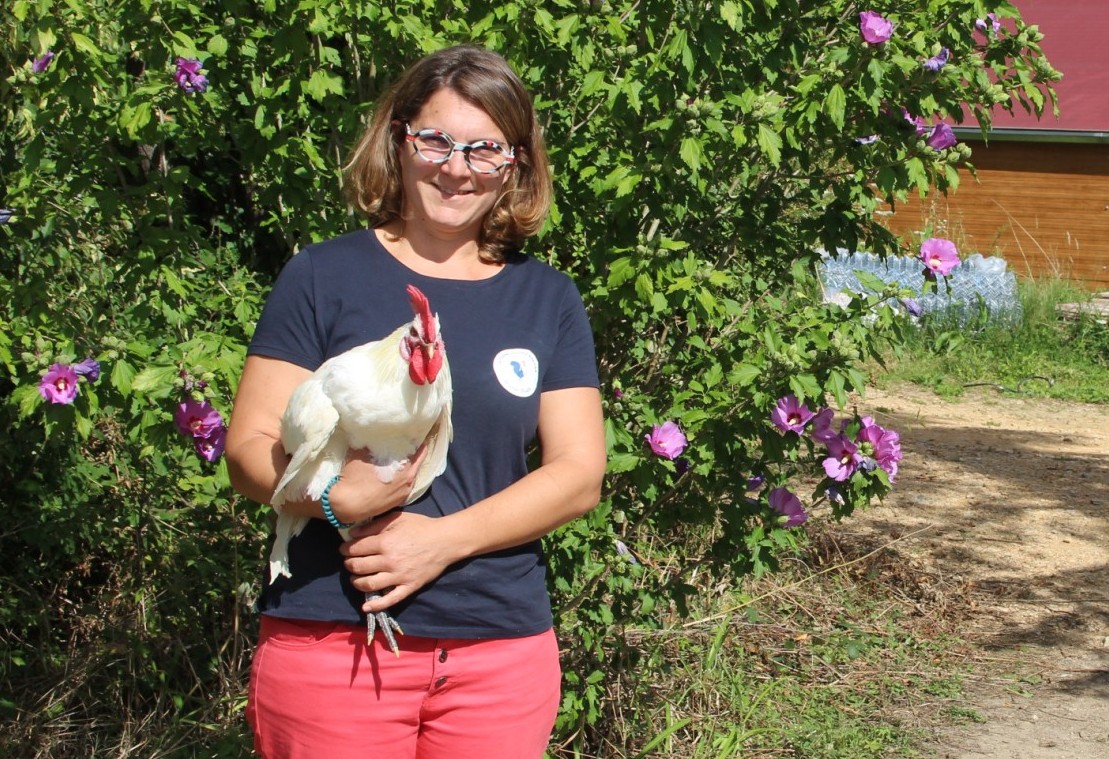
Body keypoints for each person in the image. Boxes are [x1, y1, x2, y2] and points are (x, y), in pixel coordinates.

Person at [225, 44, 606, 759]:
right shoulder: (320, 276)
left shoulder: (546, 297)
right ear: (398, 138)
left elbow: (578, 473)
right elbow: (249, 452)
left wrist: (438, 541)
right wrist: (335, 495)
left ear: (515, 163)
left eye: (484, 148)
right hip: (332, 639)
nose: (455, 167)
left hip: (497, 650)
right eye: (435, 139)